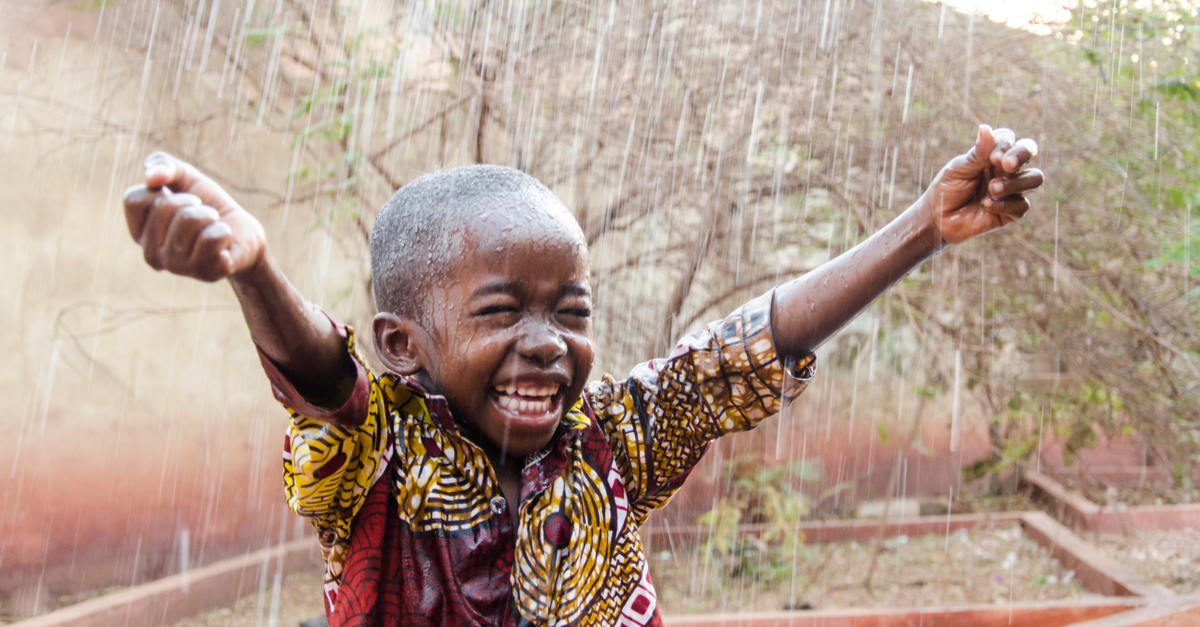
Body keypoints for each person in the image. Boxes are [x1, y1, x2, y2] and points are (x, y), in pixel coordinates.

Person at [121, 124, 1042, 626]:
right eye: (501, 311)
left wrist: (924, 227)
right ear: (403, 343)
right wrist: (253, 271)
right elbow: (327, 385)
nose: (547, 341)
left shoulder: (610, 442)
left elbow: (736, 353)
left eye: (571, 310)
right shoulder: (380, 455)